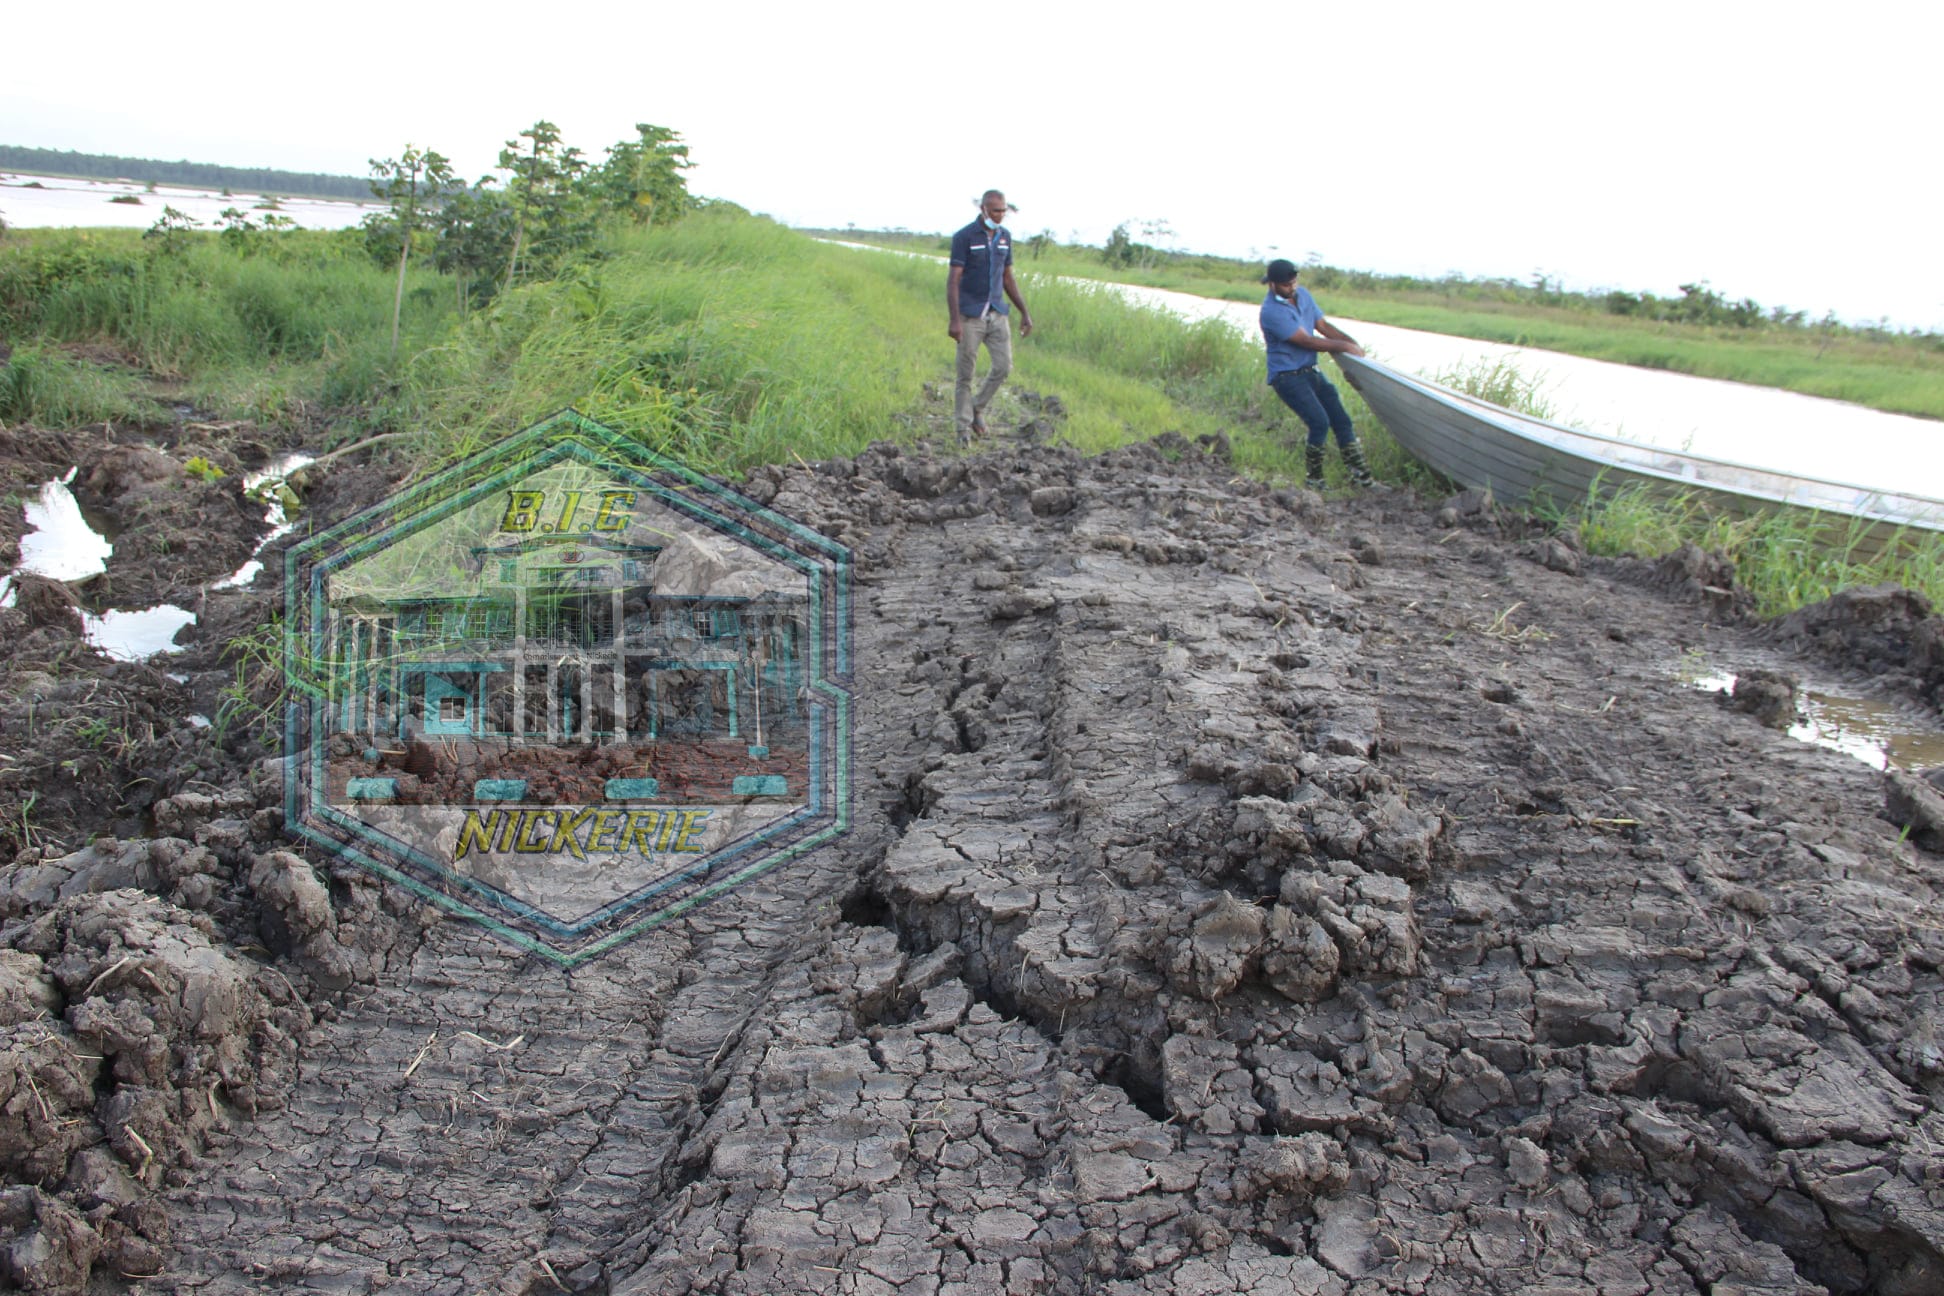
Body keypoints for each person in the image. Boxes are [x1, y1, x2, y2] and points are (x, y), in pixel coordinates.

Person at [1258, 258, 1375, 490]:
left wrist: (1351, 343)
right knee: (1319, 423)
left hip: (1310, 371)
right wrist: (1341, 347)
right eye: (1285, 285)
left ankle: (1362, 480)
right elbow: (1306, 341)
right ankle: (1315, 481)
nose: (1291, 288)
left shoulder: (1304, 296)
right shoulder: (1271, 312)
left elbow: (1323, 326)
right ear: (1272, 285)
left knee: (1341, 420)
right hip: (1287, 376)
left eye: (1294, 283)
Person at [948, 190, 1034, 443]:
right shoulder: (964, 237)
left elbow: (1008, 277)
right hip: (970, 315)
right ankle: (962, 429)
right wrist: (954, 319)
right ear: (983, 209)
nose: (1000, 215)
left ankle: (977, 407)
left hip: (997, 313)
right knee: (965, 374)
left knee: (1003, 367)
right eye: (996, 211)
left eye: (1003, 211)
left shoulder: (1005, 238)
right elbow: (953, 280)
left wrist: (1024, 312)